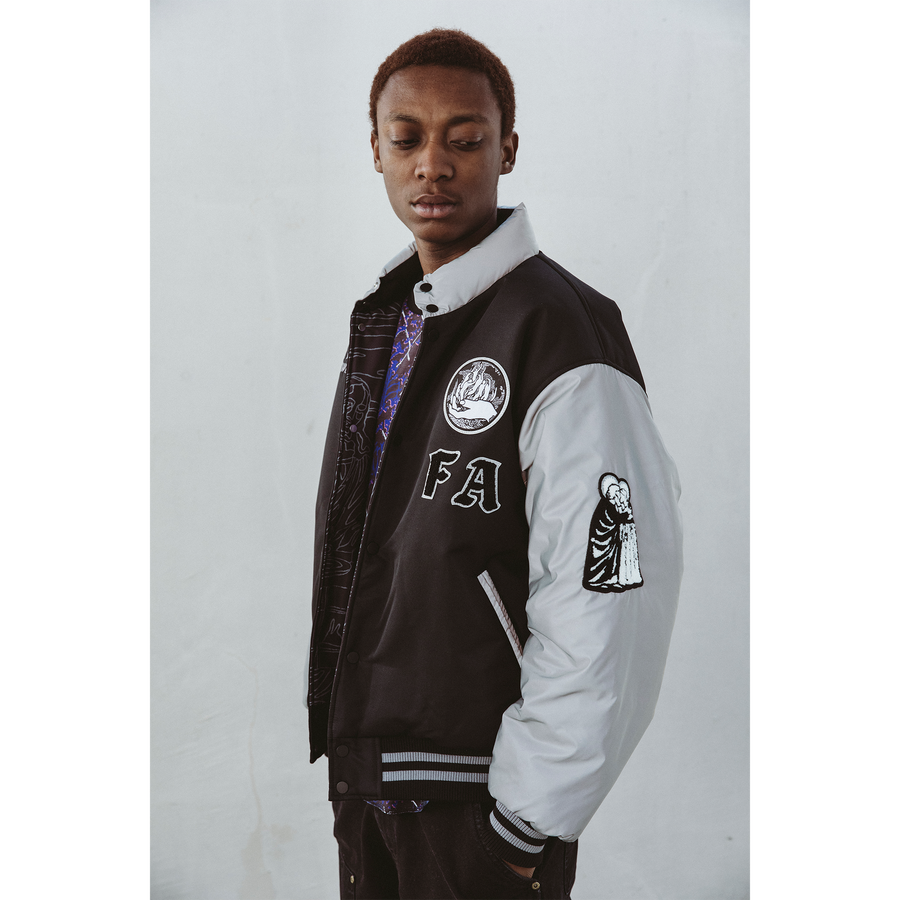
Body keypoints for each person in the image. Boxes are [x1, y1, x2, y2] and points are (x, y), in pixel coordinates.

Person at [306, 28, 683, 899]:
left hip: (478, 803)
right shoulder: (392, 324)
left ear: (507, 149)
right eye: (407, 138)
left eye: (465, 139)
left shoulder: (560, 331)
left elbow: (610, 590)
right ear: (375, 150)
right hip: (374, 783)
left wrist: (523, 825)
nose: (433, 164)